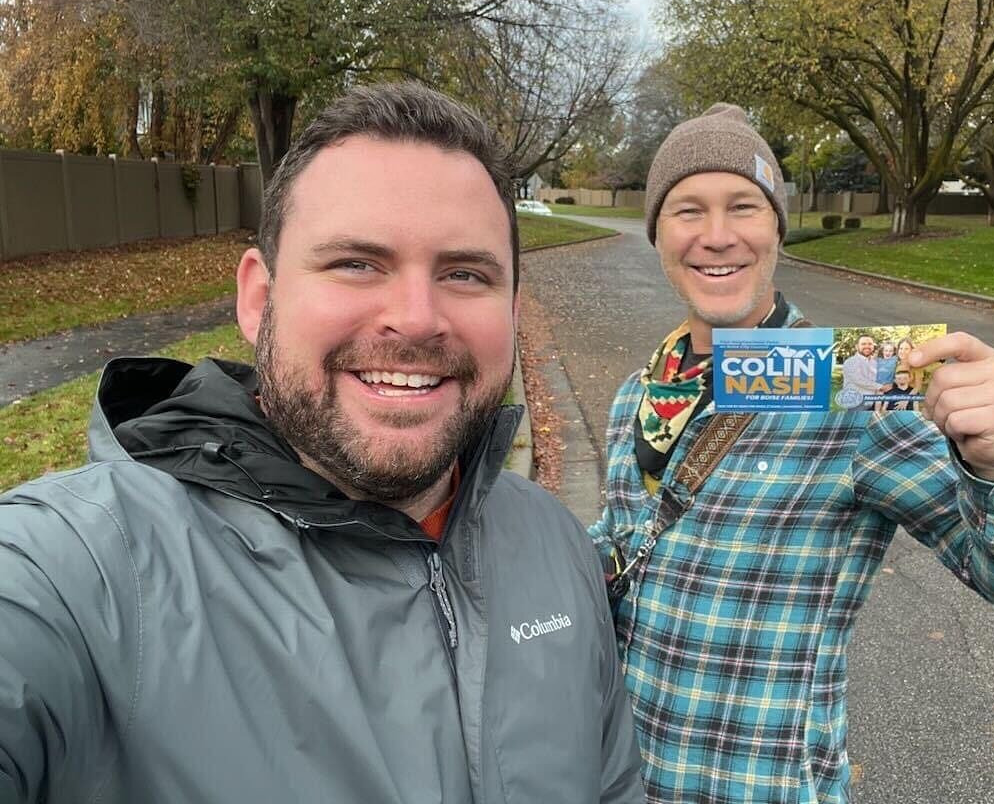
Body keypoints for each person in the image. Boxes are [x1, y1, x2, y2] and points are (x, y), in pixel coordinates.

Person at [0, 82, 643, 803]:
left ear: (513, 312)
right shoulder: (78, 572)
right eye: (356, 264)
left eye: (465, 273)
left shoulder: (555, 545)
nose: (416, 318)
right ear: (258, 299)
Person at [588, 103, 994, 804]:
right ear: (656, 229)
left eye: (743, 207)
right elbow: (628, 549)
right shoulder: (640, 393)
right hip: (620, 780)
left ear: (776, 225)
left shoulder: (858, 395)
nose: (717, 237)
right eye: (688, 210)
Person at [838, 333, 880, 409]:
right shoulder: (850, 362)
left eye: (870, 344)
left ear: (873, 346)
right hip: (857, 403)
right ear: (857, 347)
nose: (867, 346)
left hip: (873, 402)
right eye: (863, 344)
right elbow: (859, 380)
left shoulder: (875, 363)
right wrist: (881, 387)